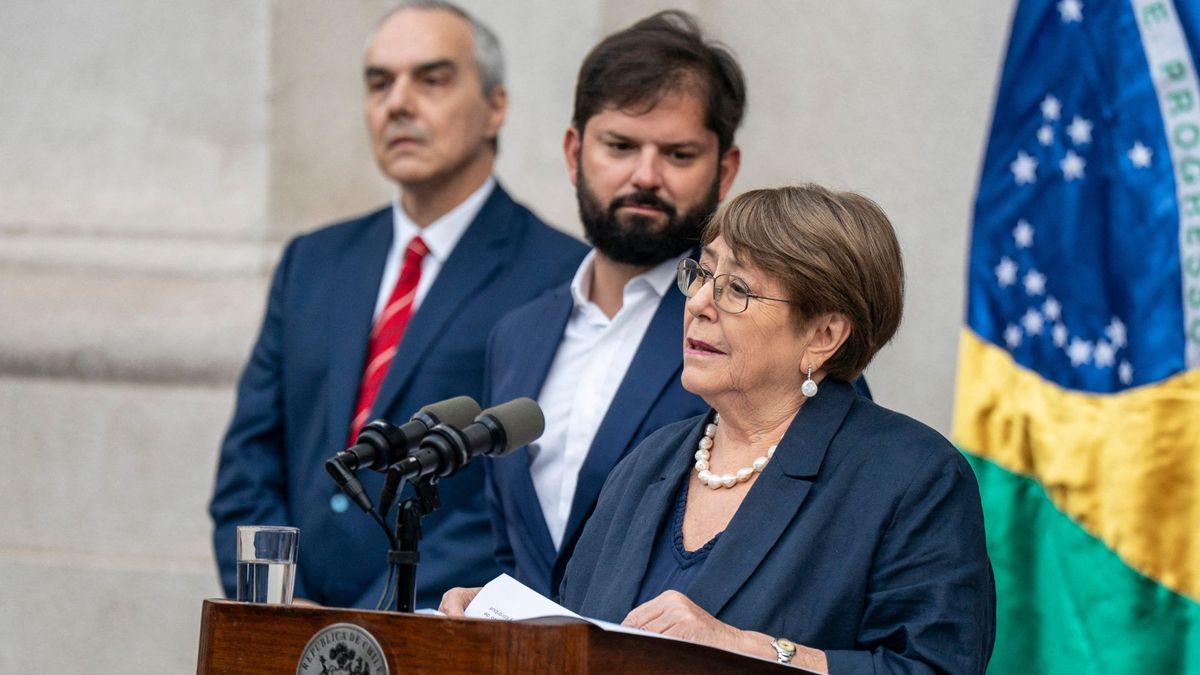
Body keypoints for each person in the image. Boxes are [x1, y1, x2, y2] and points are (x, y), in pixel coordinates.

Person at [448, 185, 995, 673]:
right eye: (703, 273)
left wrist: (740, 649)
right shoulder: (649, 463)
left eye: (737, 289)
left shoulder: (912, 478)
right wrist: (508, 627)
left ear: (823, 334)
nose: (700, 304)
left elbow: (933, 667)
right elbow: (591, 637)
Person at [208, 1, 586, 610]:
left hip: (430, 630)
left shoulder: (557, 274)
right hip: (285, 629)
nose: (399, 103)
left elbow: (525, 494)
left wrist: (376, 623)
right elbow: (249, 467)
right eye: (379, 83)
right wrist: (284, 608)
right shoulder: (315, 260)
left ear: (496, 107)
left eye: (432, 79)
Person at [480, 11, 739, 599]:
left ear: (725, 169)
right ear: (575, 152)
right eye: (620, 145)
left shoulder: (759, 327)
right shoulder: (516, 336)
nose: (644, 176)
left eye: (678, 154)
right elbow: (512, 550)